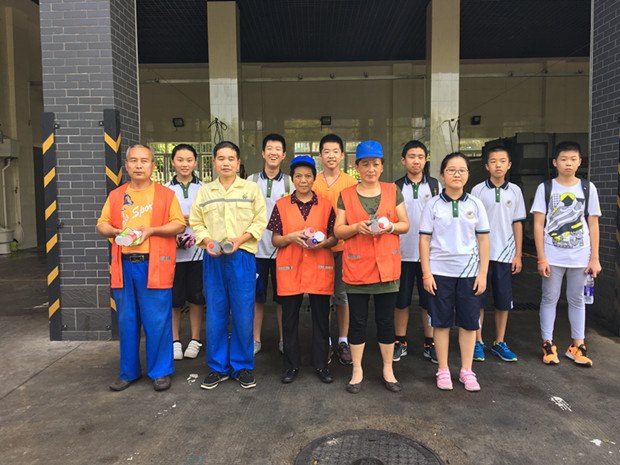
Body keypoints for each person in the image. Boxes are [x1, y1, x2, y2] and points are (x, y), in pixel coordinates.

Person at [97, 144, 186, 392]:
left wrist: (151, 230)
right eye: (134, 161)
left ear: (153, 166)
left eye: (144, 161)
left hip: (154, 264)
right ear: (126, 165)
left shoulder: (165, 195)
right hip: (124, 266)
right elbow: (101, 224)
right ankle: (128, 372)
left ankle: (160, 371)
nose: (139, 165)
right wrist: (114, 231)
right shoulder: (116, 196)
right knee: (127, 321)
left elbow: (179, 224)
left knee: (157, 321)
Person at [190, 141, 267, 390]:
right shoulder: (205, 192)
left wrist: (240, 240)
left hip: (241, 257)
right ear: (214, 162)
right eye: (221, 158)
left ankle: (242, 366)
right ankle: (218, 367)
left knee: (243, 313)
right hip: (213, 258)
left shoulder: (251, 189)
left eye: (231, 158)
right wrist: (208, 241)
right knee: (216, 312)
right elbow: (196, 222)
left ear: (238, 162)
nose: (226, 163)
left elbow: (260, 220)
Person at [334, 140, 409, 394]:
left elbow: (405, 224)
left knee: (386, 321)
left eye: (375, 164)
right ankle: (357, 370)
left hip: (387, 269)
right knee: (357, 322)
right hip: (357, 269)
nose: (370, 169)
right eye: (365, 164)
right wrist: (356, 227)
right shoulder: (346, 195)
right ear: (357, 167)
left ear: (382, 166)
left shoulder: (392, 190)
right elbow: (338, 230)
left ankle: (388, 369)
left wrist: (391, 226)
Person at [420, 152, 490, 392]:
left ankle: (467, 370)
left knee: (469, 324)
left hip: (470, 273)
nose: (456, 174)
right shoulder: (433, 205)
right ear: (442, 175)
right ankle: (442, 369)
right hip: (440, 272)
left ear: (468, 174)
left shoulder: (476, 204)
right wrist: (427, 273)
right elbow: (424, 240)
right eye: (451, 170)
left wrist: (483, 273)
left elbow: (484, 240)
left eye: (462, 170)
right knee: (441, 323)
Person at [530, 141, 601, 366]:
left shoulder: (588, 188)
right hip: (552, 255)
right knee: (549, 298)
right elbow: (538, 224)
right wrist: (541, 257)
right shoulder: (546, 188)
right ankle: (548, 344)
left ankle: (577, 345)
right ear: (555, 162)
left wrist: (595, 258)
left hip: (580, 255)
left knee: (577, 299)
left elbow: (593, 224)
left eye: (573, 159)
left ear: (580, 162)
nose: (568, 163)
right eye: (563, 159)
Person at [268, 156, 338, 384]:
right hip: (291, 268)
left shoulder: (326, 205)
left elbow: (335, 236)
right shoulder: (281, 205)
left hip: (319, 267)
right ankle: (291, 365)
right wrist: (290, 237)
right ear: (292, 179)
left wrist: (323, 243)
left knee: (321, 319)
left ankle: (321, 364)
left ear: (314, 178)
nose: (303, 180)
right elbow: (275, 240)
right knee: (289, 321)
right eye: (298, 176)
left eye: (308, 176)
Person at [470, 146, 526, 362]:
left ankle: (499, 342)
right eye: (493, 161)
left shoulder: (515, 191)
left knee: (503, 301)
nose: (498, 165)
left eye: (502, 161)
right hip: (480, 257)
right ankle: (477, 341)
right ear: (486, 166)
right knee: (478, 300)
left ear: (509, 165)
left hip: (506, 255)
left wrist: (518, 254)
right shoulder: (477, 191)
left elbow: (517, 223)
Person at [313, 133, 358, 365]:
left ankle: (342, 340)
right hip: (318, 249)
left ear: (342, 155)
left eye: (335, 152)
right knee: (322, 296)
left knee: (342, 296)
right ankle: (326, 342)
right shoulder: (312, 182)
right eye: (326, 152)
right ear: (320, 156)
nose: (331, 156)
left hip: (342, 248)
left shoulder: (351, 183)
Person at [393, 140, 440, 363]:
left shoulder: (435, 186)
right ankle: (400, 341)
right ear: (403, 160)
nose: (416, 161)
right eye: (412, 156)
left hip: (428, 256)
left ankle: (430, 342)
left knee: (428, 301)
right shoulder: (395, 187)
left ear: (426, 159)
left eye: (420, 157)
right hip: (401, 254)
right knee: (400, 301)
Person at [247, 134, 290, 355]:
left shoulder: (290, 182)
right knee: (257, 297)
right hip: (255, 249)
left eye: (278, 149)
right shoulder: (251, 180)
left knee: (283, 297)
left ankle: (284, 339)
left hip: (282, 249)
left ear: (283, 155)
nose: (273, 152)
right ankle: (255, 339)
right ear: (263, 153)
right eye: (269, 148)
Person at [165, 144, 205, 360]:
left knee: (196, 297)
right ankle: (175, 340)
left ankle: (195, 339)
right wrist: (178, 225)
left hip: (199, 252)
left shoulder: (205, 189)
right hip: (173, 252)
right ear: (173, 161)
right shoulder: (164, 190)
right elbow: (160, 219)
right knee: (175, 299)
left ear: (195, 162)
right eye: (180, 160)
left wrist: (194, 221)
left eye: (189, 160)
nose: (184, 164)